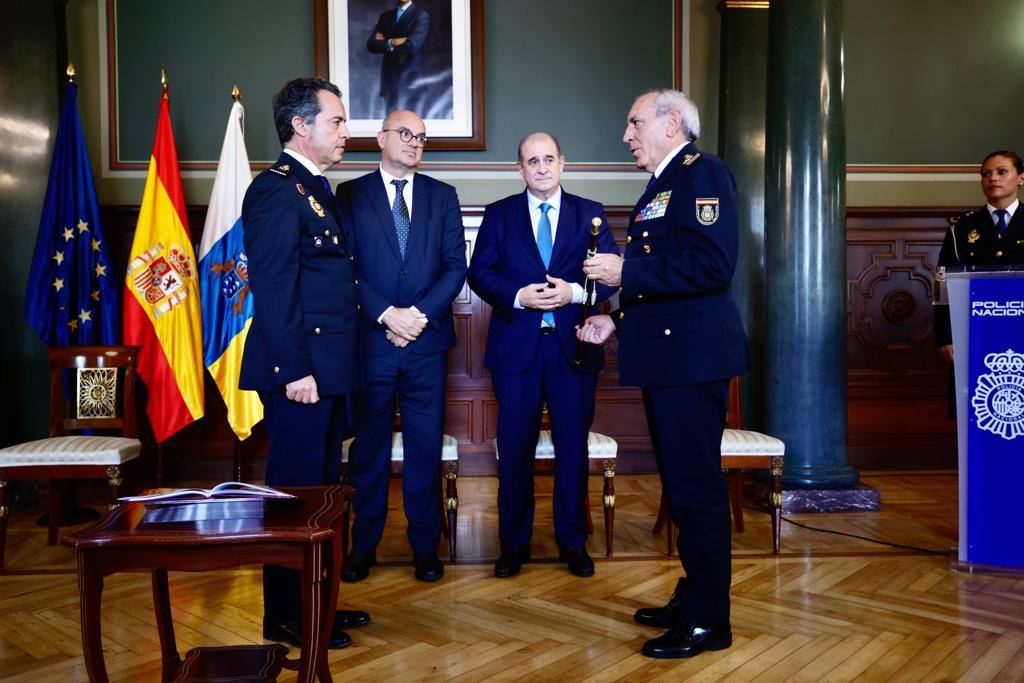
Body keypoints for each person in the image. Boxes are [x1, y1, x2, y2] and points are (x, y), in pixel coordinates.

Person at [577, 89, 748, 659]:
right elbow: (663, 282)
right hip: (670, 357)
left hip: (691, 360)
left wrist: (627, 270)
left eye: (634, 123)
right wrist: (615, 319)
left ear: (672, 122)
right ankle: (693, 595)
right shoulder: (666, 181)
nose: (627, 135)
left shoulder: (705, 174)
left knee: (696, 491)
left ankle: (708, 620)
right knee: (681, 487)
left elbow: (710, 265)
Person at [239, 77, 369, 649]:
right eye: (337, 121)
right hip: (300, 374)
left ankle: (320, 602)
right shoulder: (275, 190)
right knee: (294, 500)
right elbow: (274, 289)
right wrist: (295, 371)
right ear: (301, 125)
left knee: (320, 499)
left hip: (329, 371)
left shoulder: (315, 188)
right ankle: (288, 616)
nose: (345, 131)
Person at [468, 132, 619, 579]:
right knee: (514, 452)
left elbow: (610, 276)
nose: (541, 167)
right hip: (517, 353)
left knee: (572, 450)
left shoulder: (590, 214)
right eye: (531, 161)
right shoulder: (499, 215)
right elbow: (479, 274)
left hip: (575, 347)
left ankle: (572, 543)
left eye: (548, 159)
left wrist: (575, 291)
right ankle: (513, 546)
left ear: (562, 163)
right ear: (520, 169)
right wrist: (518, 297)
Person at [335, 109, 467, 583]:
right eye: (405, 134)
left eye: (422, 137)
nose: (414, 143)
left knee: (424, 449)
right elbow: (345, 268)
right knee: (368, 449)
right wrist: (388, 315)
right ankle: (363, 547)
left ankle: (425, 549)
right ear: (381, 137)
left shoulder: (442, 196)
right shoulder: (349, 195)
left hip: (427, 345)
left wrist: (417, 317)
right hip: (372, 343)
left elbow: (455, 267)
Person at [934, 150, 1024, 413]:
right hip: (975, 331)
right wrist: (945, 337)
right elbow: (943, 284)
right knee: (979, 407)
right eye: (986, 174)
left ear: (1020, 178)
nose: (992, 178)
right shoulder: (961, 227)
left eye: (1001, 172)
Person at [367, 1, 430, 114]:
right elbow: (371, 45)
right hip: (390, 79)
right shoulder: (385, 16)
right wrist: (393, 42)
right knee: (389, 123)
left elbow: (411, 46)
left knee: (409, 124)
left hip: (411, 81)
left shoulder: (421, 16)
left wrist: (385, 42)